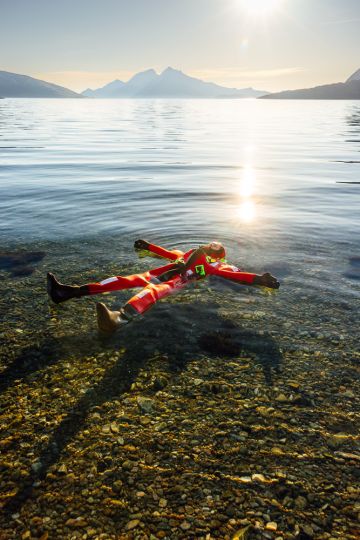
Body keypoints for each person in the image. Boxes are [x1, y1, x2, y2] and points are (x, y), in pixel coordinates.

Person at [47, 240, 279, 333]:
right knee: (123, 280)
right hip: (157, 273)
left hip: (176, 281)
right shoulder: (188, 254)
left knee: (152, 292)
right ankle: (68, 292)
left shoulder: (214, 265)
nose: (209, 249)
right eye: (208, 247)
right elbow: (169, 254)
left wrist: (259, 279)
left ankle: (117, 320)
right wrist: (147, 246)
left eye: (212, 250)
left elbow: (236, 276)